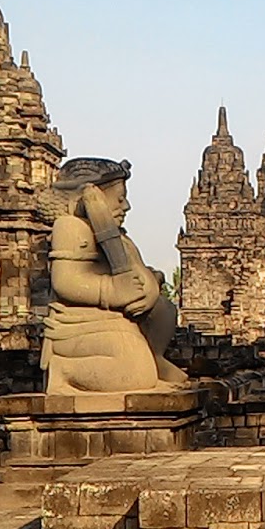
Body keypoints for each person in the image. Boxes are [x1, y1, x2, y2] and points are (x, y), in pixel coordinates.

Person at [41, 158, 187, 394]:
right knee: (136, 373)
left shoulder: (116, 235)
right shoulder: (71, 227)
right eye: (119, 199)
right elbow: (65, 281)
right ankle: (63, 370)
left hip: (121, 319)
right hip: (83, 323)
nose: (126, 206)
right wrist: (110, 290)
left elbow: (130, 268)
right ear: (90, 197)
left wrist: (150, 279)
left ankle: (154, 358)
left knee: (166, 310)